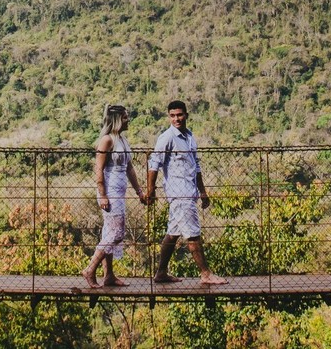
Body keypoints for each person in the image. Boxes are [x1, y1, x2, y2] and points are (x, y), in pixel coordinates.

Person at [145, 100, 227, 285]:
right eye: (172, 116)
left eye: (180, 115)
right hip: (179, 194)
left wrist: (203, 192)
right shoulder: (167, 137)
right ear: (169, 117)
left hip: (190, 191)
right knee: (193, 233)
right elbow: (154, 164)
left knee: (173, 233)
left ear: (186, 115)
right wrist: (151, 191)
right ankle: (205, 273)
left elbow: (195, 166)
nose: (176, 119)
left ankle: (161, 273)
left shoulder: (189, 137)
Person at [83, 104, 145, 288]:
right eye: (125, 117)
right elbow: (99, 168)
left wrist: (139, 191)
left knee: (110, 232)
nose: (128, 120)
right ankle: (90, 269)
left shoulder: (122, 140)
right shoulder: (107, 140)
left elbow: (129, 168)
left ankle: (108, 275)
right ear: (117, 120)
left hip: (119, 192)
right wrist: (102, 194)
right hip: (109, 193)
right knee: (117, 233)